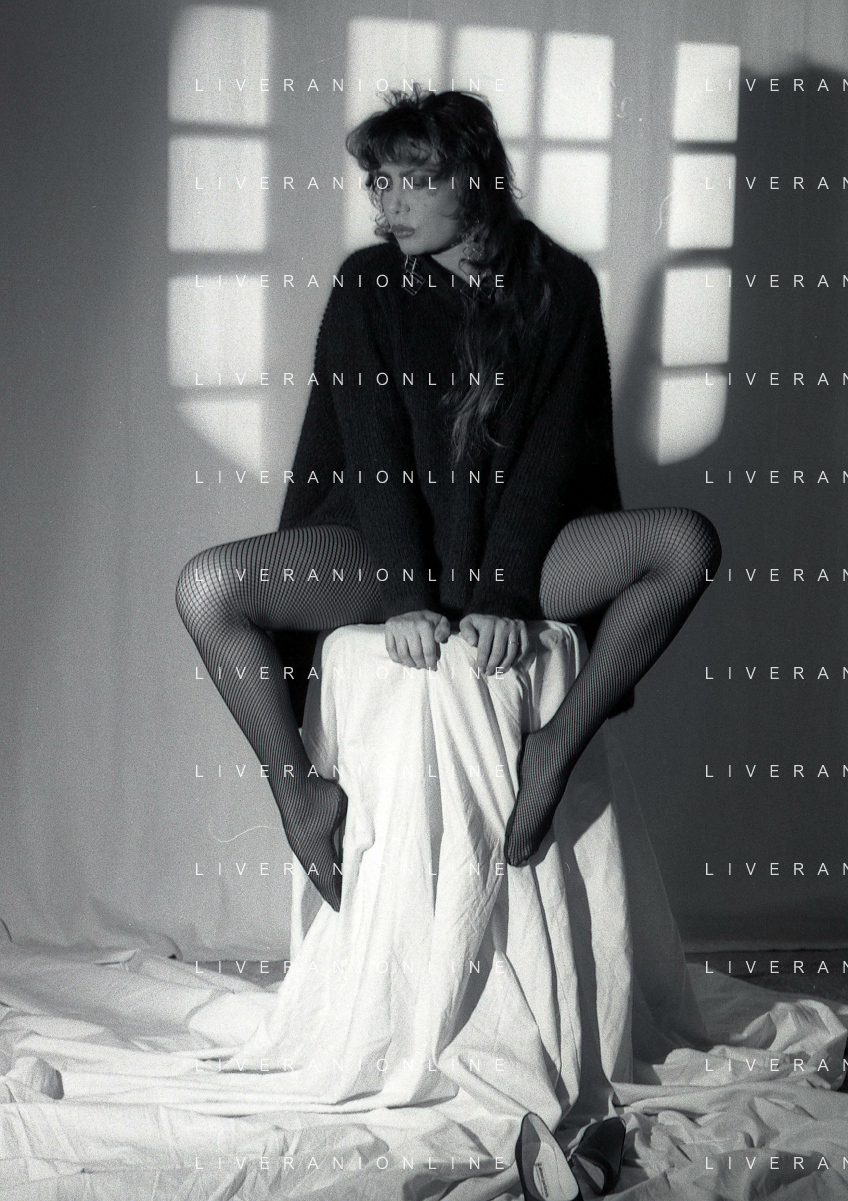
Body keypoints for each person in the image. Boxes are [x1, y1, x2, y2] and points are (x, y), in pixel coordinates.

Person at [176, 86, 721, 915]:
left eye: (414, 179)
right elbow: (373, 457)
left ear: (474, 177)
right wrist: (406, 596)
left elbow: (551, 462)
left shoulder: (562, 287)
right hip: (379, 546)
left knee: (686, 543)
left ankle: (556, 747)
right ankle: (300, 797)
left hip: (517, 549)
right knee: (208, 588)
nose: (389, 204)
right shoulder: (368, 284)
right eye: (379, 182)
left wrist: (503, 593)